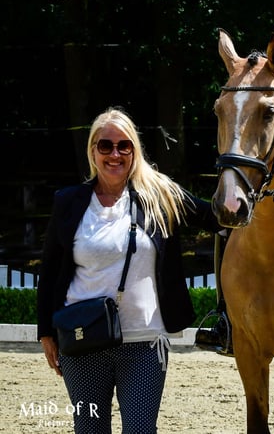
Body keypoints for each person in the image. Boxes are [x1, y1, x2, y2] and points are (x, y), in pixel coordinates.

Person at [37, 107, 222, 433]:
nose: (115, 154)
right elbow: (50, 270)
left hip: (145, 344)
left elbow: (220, 217)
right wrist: (45, 333)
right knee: (89, 429)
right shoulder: (68, 201)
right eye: (105, 146)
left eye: (124, 146)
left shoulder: (160, 195)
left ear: (134, 150)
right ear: (93, 151)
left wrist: (247, 185)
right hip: (82, 343)